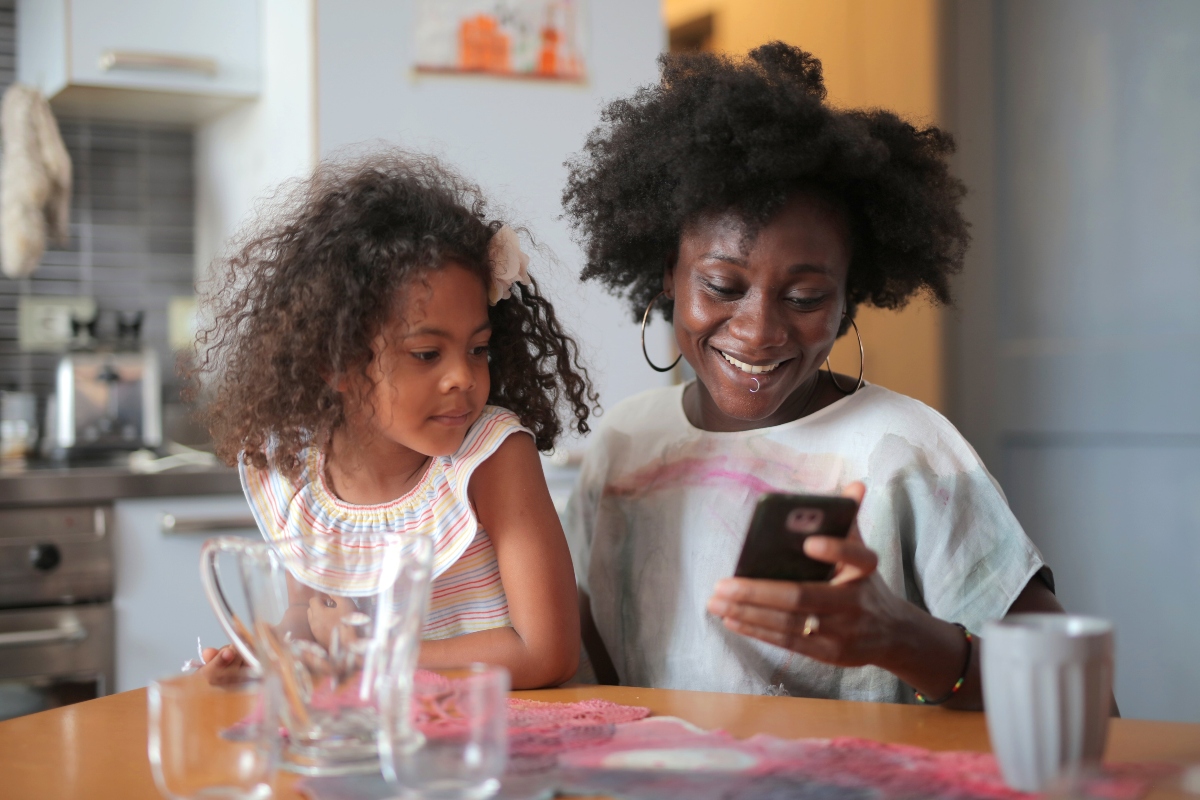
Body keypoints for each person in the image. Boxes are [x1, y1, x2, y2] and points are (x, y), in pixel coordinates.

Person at [560, 43, 1064, 709]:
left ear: (849, 299)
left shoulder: (905, 451)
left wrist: (902, 639)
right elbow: (588, 666)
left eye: (804, 299)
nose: (760, 330)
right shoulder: (626, 444)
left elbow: (1076, 697)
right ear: (668, 278)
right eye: (721, 286)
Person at [190, 152, 593, 689]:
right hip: (392, 745)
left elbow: (545, 653)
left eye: (478, 349)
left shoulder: (490, 457)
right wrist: (270, 654)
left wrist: (370, 655)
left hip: (505, 739)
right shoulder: (298, 476)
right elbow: (308, 620)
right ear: (334, 361)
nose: (463, 378)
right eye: (428, 354)